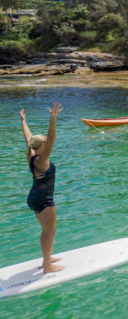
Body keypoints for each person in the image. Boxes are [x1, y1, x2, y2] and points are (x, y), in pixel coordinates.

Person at [19, 102, 64, 273]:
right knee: (49, 232)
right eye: (45, 143)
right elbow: (51, 138)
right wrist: (53, 119)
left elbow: (28, 137)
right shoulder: (42, 159)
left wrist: (23, 120)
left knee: (46, 231)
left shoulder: (32, 155)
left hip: (33, 198)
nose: (48, 145)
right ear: (42, 146)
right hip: (44, 199)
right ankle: (47, 266)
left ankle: (47, 257)